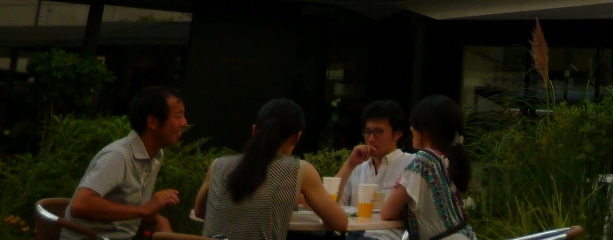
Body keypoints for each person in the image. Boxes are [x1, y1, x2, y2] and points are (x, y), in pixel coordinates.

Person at [195, 98, 347, 240]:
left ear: (254, 130)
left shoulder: (218, 165)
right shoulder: (300, 170)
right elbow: (340, 223)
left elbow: (200, 212)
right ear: (297, 137)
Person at [63, 86, 188, 240]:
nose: (184, 123)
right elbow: (80, 205)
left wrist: (158, 219)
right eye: (178, 116)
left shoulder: (156, 155)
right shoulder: (118, 156)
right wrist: (144, 210)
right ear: (152, 122)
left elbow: (130, 207)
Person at [381, 96, 476, 240]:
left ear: (427, 131)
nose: (411, 128)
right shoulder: (446, 160)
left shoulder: (425, 160)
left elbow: (387, 212)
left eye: (415, 124)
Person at [336, 101, 412, 240]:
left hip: (387, 236)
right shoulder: (357, 168)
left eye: (378, 132)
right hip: (353, 235)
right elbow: (331, 203)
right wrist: (349, 164)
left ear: (398, 134)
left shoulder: (410, 164)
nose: (371, 139)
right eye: (367, 132)